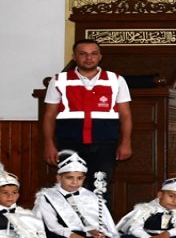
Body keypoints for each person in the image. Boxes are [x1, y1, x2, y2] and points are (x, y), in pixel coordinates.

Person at [40, 39, 133, 211]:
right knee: (70, 188)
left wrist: (126, 142)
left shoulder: (116, 80)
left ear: (100, 57)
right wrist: (48, 144)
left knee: (100, 189)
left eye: (93, 54)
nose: (88, 58)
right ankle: (72, 232)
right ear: (74, 57)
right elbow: (49, 115)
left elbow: (125, 115)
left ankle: (101, 232)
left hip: (105, 144)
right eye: (83, 54)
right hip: (70, 144)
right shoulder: (60, 80)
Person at [33, 150, 120, 238]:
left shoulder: (88, 195)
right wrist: (75, 237)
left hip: (80, 232)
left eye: (79, 178)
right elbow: (53, 226)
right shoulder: (47, 196)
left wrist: (92, 231)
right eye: (69, 178)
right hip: (57, 233)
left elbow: (89, 220)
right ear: (59, 178)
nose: (75, 182)